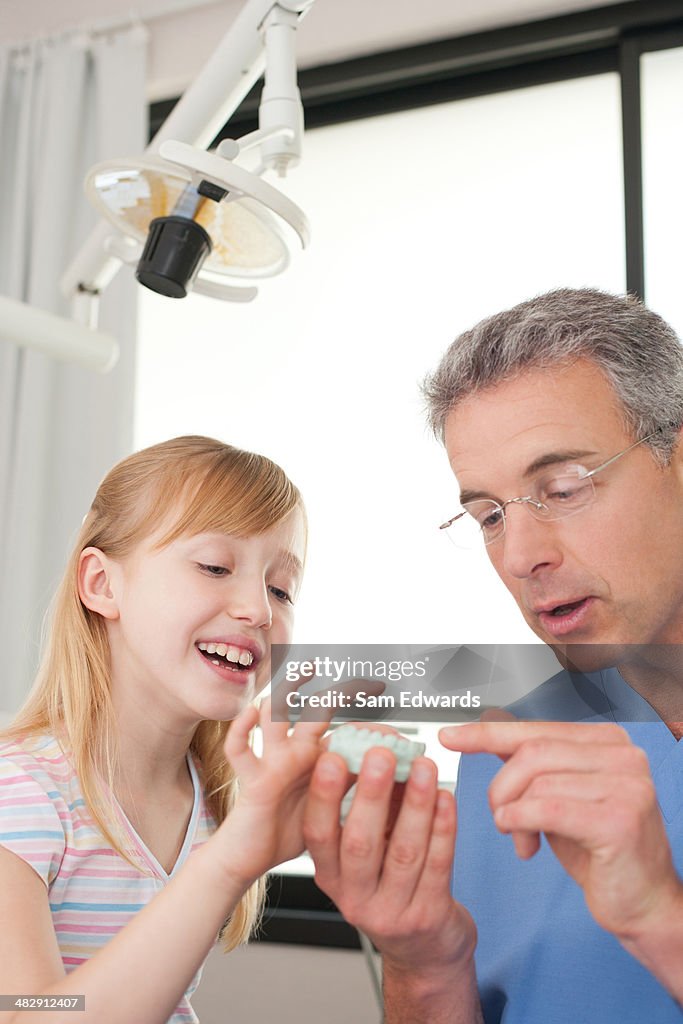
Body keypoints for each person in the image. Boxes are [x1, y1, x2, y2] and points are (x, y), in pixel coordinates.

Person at [303, 288, 683, 1023]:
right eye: (487, 516)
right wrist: (420, 962)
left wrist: (657, 917)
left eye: (563, 489)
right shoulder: (508, 742)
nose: (519, 556)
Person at [0, 435, 330, 1024]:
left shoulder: (211, 798)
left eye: (281, 589)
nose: (258, 610)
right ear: (102, 584)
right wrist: (227, 861)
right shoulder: (20, 793)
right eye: (214, 566)